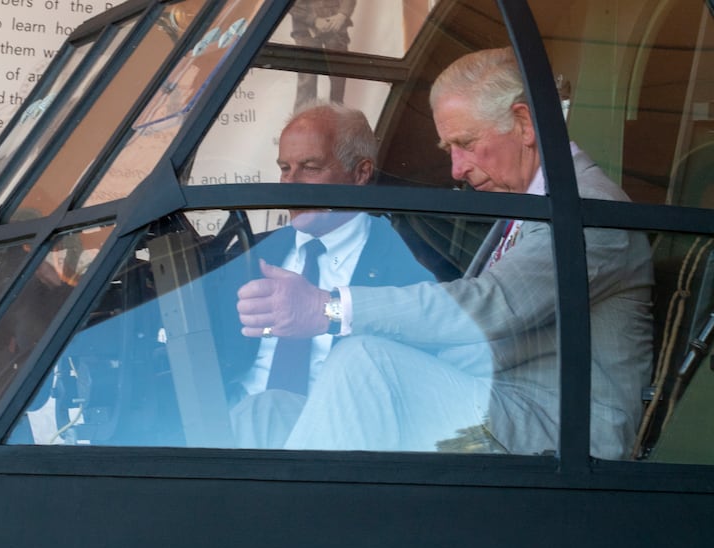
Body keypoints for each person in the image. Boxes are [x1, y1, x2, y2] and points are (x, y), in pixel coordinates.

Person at [236, 47, 654, 460]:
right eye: (449, 149)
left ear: (524, 123)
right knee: (268, 411)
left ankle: (292, 523)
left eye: (466, 143)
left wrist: (328, 308)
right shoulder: (528, 201)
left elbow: (492, 305)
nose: (456, 169)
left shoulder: (588, 211)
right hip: (493, 407)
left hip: (559, 433)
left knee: (364, 361)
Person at [217, 101, 434, 447]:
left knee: (267, 410)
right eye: (285, 168)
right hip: (230, 424)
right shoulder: (248, 255)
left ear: (360, 173)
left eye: (310, 168)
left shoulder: (405, 267)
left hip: (335, 439)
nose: (290, 185)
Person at [289, 0, 356, 109]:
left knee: (338, 79)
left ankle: (337, 121)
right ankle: (303, 122)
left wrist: (342, 14)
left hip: (336, 26)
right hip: (305, 29)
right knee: (307, 81)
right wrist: (313, 20)